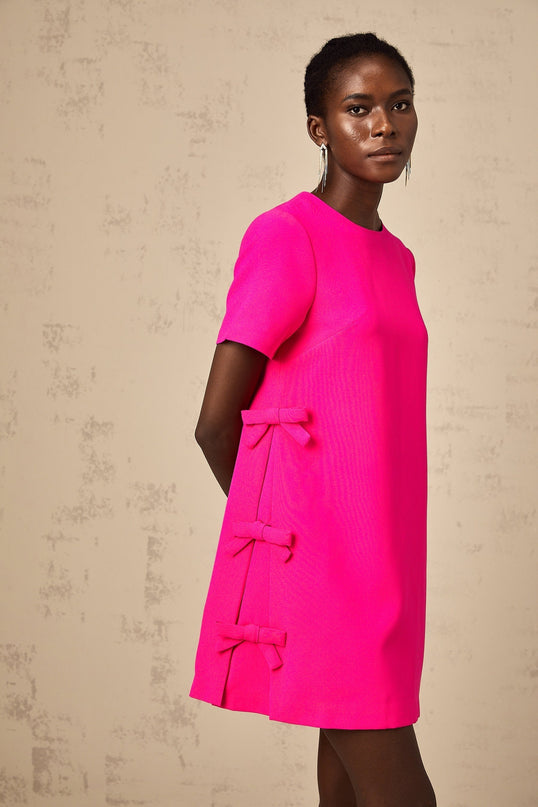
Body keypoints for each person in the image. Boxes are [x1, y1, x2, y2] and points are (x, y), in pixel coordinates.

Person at [190, 32, 437, 807]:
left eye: (400, 104)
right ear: (319, 128)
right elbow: (215, 422)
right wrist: (295, 550)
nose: (384, 124)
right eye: (359, 108)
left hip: (392, 566)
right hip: (330, 576)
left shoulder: (397, 258)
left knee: (347, 793)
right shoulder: (287, 235)